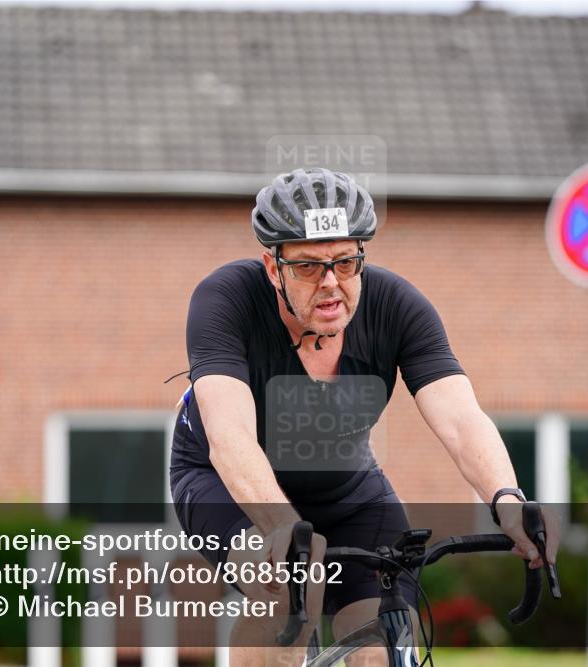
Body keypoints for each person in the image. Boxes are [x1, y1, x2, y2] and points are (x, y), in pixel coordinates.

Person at [170, 167, 561, 666]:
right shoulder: (226, 300)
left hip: (348, 490)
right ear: (273, 268)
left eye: (345, 262)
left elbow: (461, 419)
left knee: (382, 641)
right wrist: (281, 525)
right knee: (289, 594)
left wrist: (508, 499)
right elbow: (230, 436)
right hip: (225, 486)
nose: (331, 284)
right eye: (309, 267)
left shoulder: (397, 307)